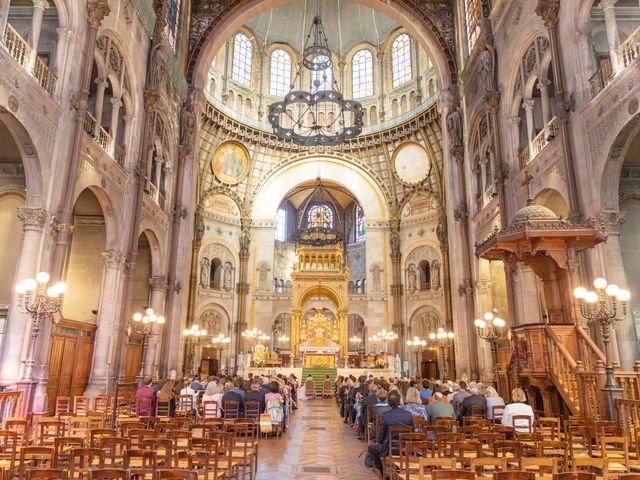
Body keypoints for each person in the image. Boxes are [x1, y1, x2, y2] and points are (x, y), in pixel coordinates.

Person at [367, 390, 414, 475]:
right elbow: (412, 433)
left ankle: (382, 472)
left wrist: (383, 441)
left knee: (371, 448)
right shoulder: (408, 415)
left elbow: (380, 438)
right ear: (399, 401)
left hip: (389, 449)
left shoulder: (385, 416)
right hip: (405, 448)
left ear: (389, 402)